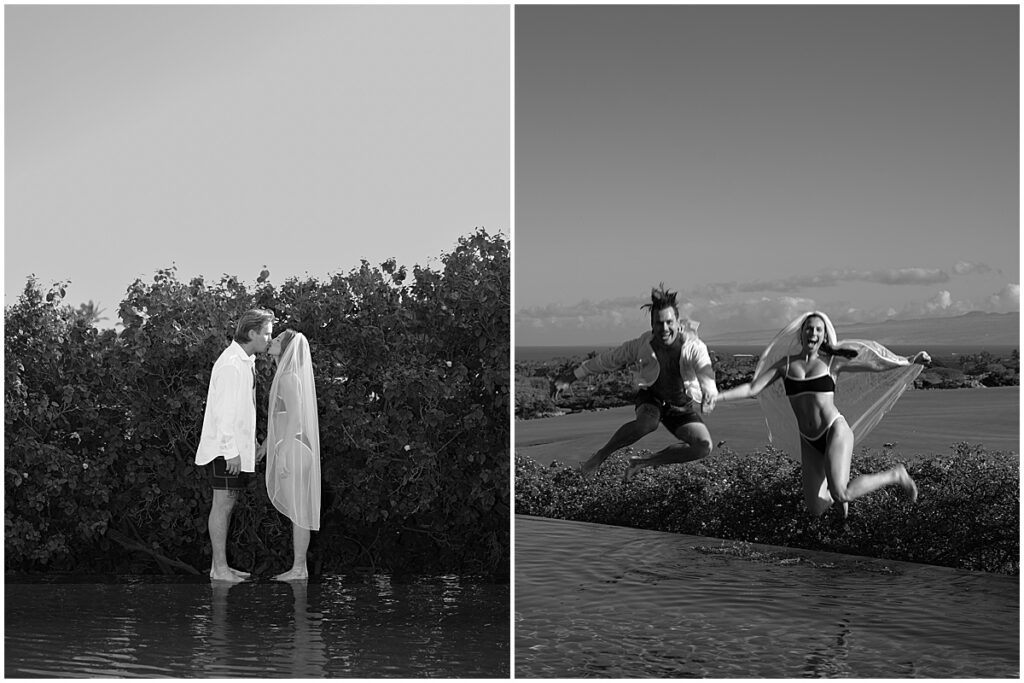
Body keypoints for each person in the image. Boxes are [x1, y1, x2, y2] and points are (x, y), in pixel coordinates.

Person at [710, 311, 930, 517]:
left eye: (818, 330)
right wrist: (717, 397)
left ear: (824, 336)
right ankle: (841, 511)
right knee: (815, 508)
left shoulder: (831, 363)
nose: (813, 333)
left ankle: (895, 475)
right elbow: (752, 389)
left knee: (841, 493)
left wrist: (910, 360)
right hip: (808, 440)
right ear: (801, 333)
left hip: (834, 430)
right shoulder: (785, 365)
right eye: (809, 328)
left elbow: (875, 364)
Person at [552, 284, 719, 480]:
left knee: (702, 447)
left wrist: (709, 392)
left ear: (677, 322)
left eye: (669, 322)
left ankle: (642, 462)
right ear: (652, 324)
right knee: (646, 424)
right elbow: (608, 360)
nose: (664, 328)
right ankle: (597, 459)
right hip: (652, 398)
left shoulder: (694, 347)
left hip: (680, 405)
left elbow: (705, 370)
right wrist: (572, 376)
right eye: (658, 323)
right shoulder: (642, 344)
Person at [195, 308, 274, 582]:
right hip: (225, 451)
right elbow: (223, 413)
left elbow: (243, 409)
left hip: (236, 449)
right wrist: (231, 452)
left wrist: (249, 441)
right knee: (223, 503)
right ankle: (219, 569)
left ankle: (222, 567)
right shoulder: (230, 364)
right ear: (252, 333)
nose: (268, 338)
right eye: (266, 333)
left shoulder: (246, 361)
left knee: (228, 503)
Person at [261, 329, 321, 581]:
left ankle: (299, 568)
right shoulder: (285, 375)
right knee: (299, 510)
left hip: (293, 448)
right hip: (292, 445)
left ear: (285, 348)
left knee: (298, 511)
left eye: (276, 340)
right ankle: (298, 567)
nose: (271, 340)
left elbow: (295, 420)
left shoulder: (287, 377)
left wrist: (282, 452)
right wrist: (264, 448)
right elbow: (281, 421)